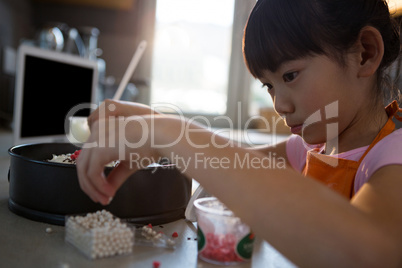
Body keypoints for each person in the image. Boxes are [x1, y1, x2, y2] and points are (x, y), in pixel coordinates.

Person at [76, 0, 402, 266]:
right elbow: (233, 164)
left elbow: (369, 252)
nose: (280, 105)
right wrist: (157, 126)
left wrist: (167, 132)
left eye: (290, 75)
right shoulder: (317, 150)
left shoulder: (393, 153)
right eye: (269, 86)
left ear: (365, 53)